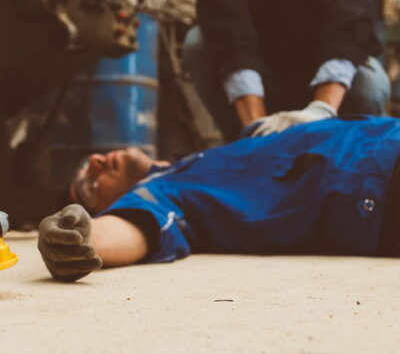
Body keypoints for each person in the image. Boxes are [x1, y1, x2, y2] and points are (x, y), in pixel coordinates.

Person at [37, 116, 400, 281]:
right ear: (105, 207)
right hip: (378, 189)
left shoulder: (195, 161)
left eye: (89, 164)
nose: (98, 162)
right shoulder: (162, 192)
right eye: (90, 184)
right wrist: (83, 237)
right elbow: (133, 224)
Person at [183, 0, 390, 141]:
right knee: (197, 45)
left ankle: (345, 147)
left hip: (321, 63)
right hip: (260, 68)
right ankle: (242, 146)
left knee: (368, 85)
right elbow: (223, 13)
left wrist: (322, 108)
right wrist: (257, 128)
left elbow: (351, 6)